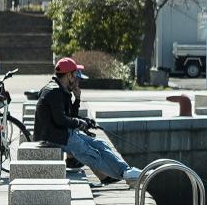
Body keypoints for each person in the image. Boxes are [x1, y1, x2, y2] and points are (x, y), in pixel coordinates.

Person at [34, 56, 142, 185]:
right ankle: (126, 176)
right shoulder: (54, 92)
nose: (78, 79)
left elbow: (69, 116)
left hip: (61, 133)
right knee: (90, 153)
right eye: (76, 75)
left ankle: (126, 170)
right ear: (69, 75)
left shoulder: (61, 89)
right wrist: (79, 123)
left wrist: (78, 101)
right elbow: (60, 120)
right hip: (52, 138)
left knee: (100, 144)